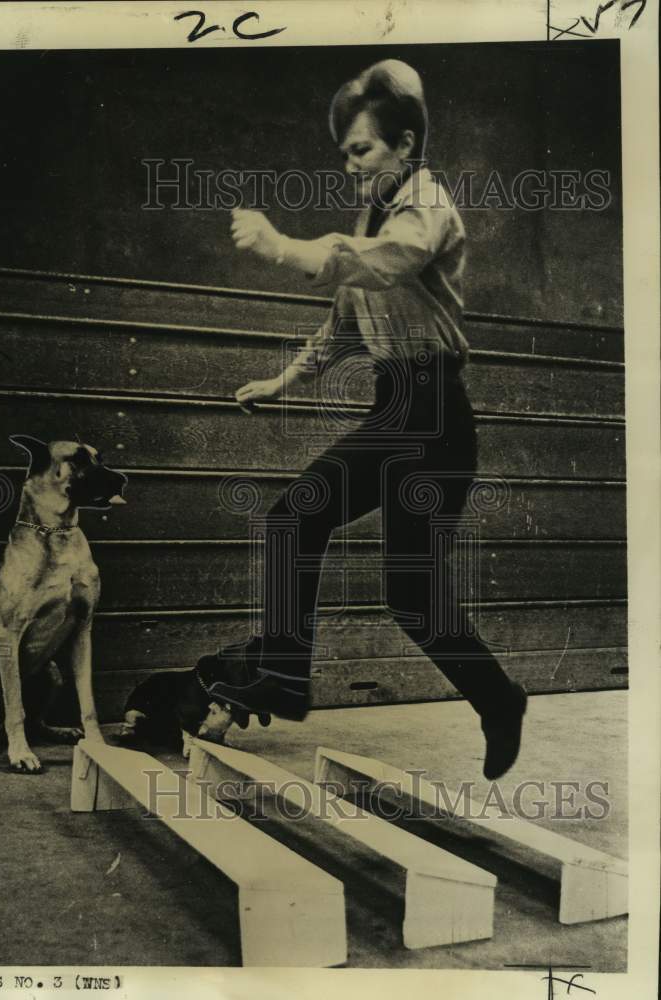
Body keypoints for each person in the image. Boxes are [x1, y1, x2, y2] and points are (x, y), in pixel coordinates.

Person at [205, 59, 527, 780]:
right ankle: (285, 678)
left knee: (410, 598)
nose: (350, 167)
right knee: (301, 520)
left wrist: (283, 247)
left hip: (435, 417)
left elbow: (381, 266)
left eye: (362, 151)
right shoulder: (370, 216)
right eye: (344, 155)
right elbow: (344, 324)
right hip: (398, 407)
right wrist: (281, 381)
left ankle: (498, 700)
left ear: (405, 145)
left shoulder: (427, 208)